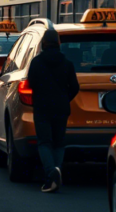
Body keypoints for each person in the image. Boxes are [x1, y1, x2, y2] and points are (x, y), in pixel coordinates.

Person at [27, 29, 80, 193]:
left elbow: (31, 83)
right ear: (59, 43)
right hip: (61, 108)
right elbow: (75, 87)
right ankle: (56, 173)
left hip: (42, 108)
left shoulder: (36, 62)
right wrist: (65, 98)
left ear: (43, 43)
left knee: (44, 142)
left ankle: (51, 174)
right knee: (58, 143)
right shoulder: (67, 63)